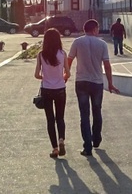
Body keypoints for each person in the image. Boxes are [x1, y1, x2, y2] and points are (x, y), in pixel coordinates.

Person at [68, 19, 120, 156]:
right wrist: (110, 82)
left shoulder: (77, 42)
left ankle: (87, 147)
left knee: (84, 115)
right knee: (97, 111)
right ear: (95, 29)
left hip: (81, 82)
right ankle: (96, 139)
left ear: (85, 29)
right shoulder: (102, 44)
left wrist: (66, 75)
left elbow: (69, 60)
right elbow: (107, 65)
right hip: (97, 83)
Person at [34, 28, 71, 158]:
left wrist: (45, 77)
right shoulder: (63, 54)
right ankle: (61, 139)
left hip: (47, 90)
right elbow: (68, 73)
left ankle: (55, 148)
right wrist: (62, 77)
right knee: (60, 117)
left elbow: (37, 75)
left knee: (50, 120)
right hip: (60, 88)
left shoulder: (41, 55)